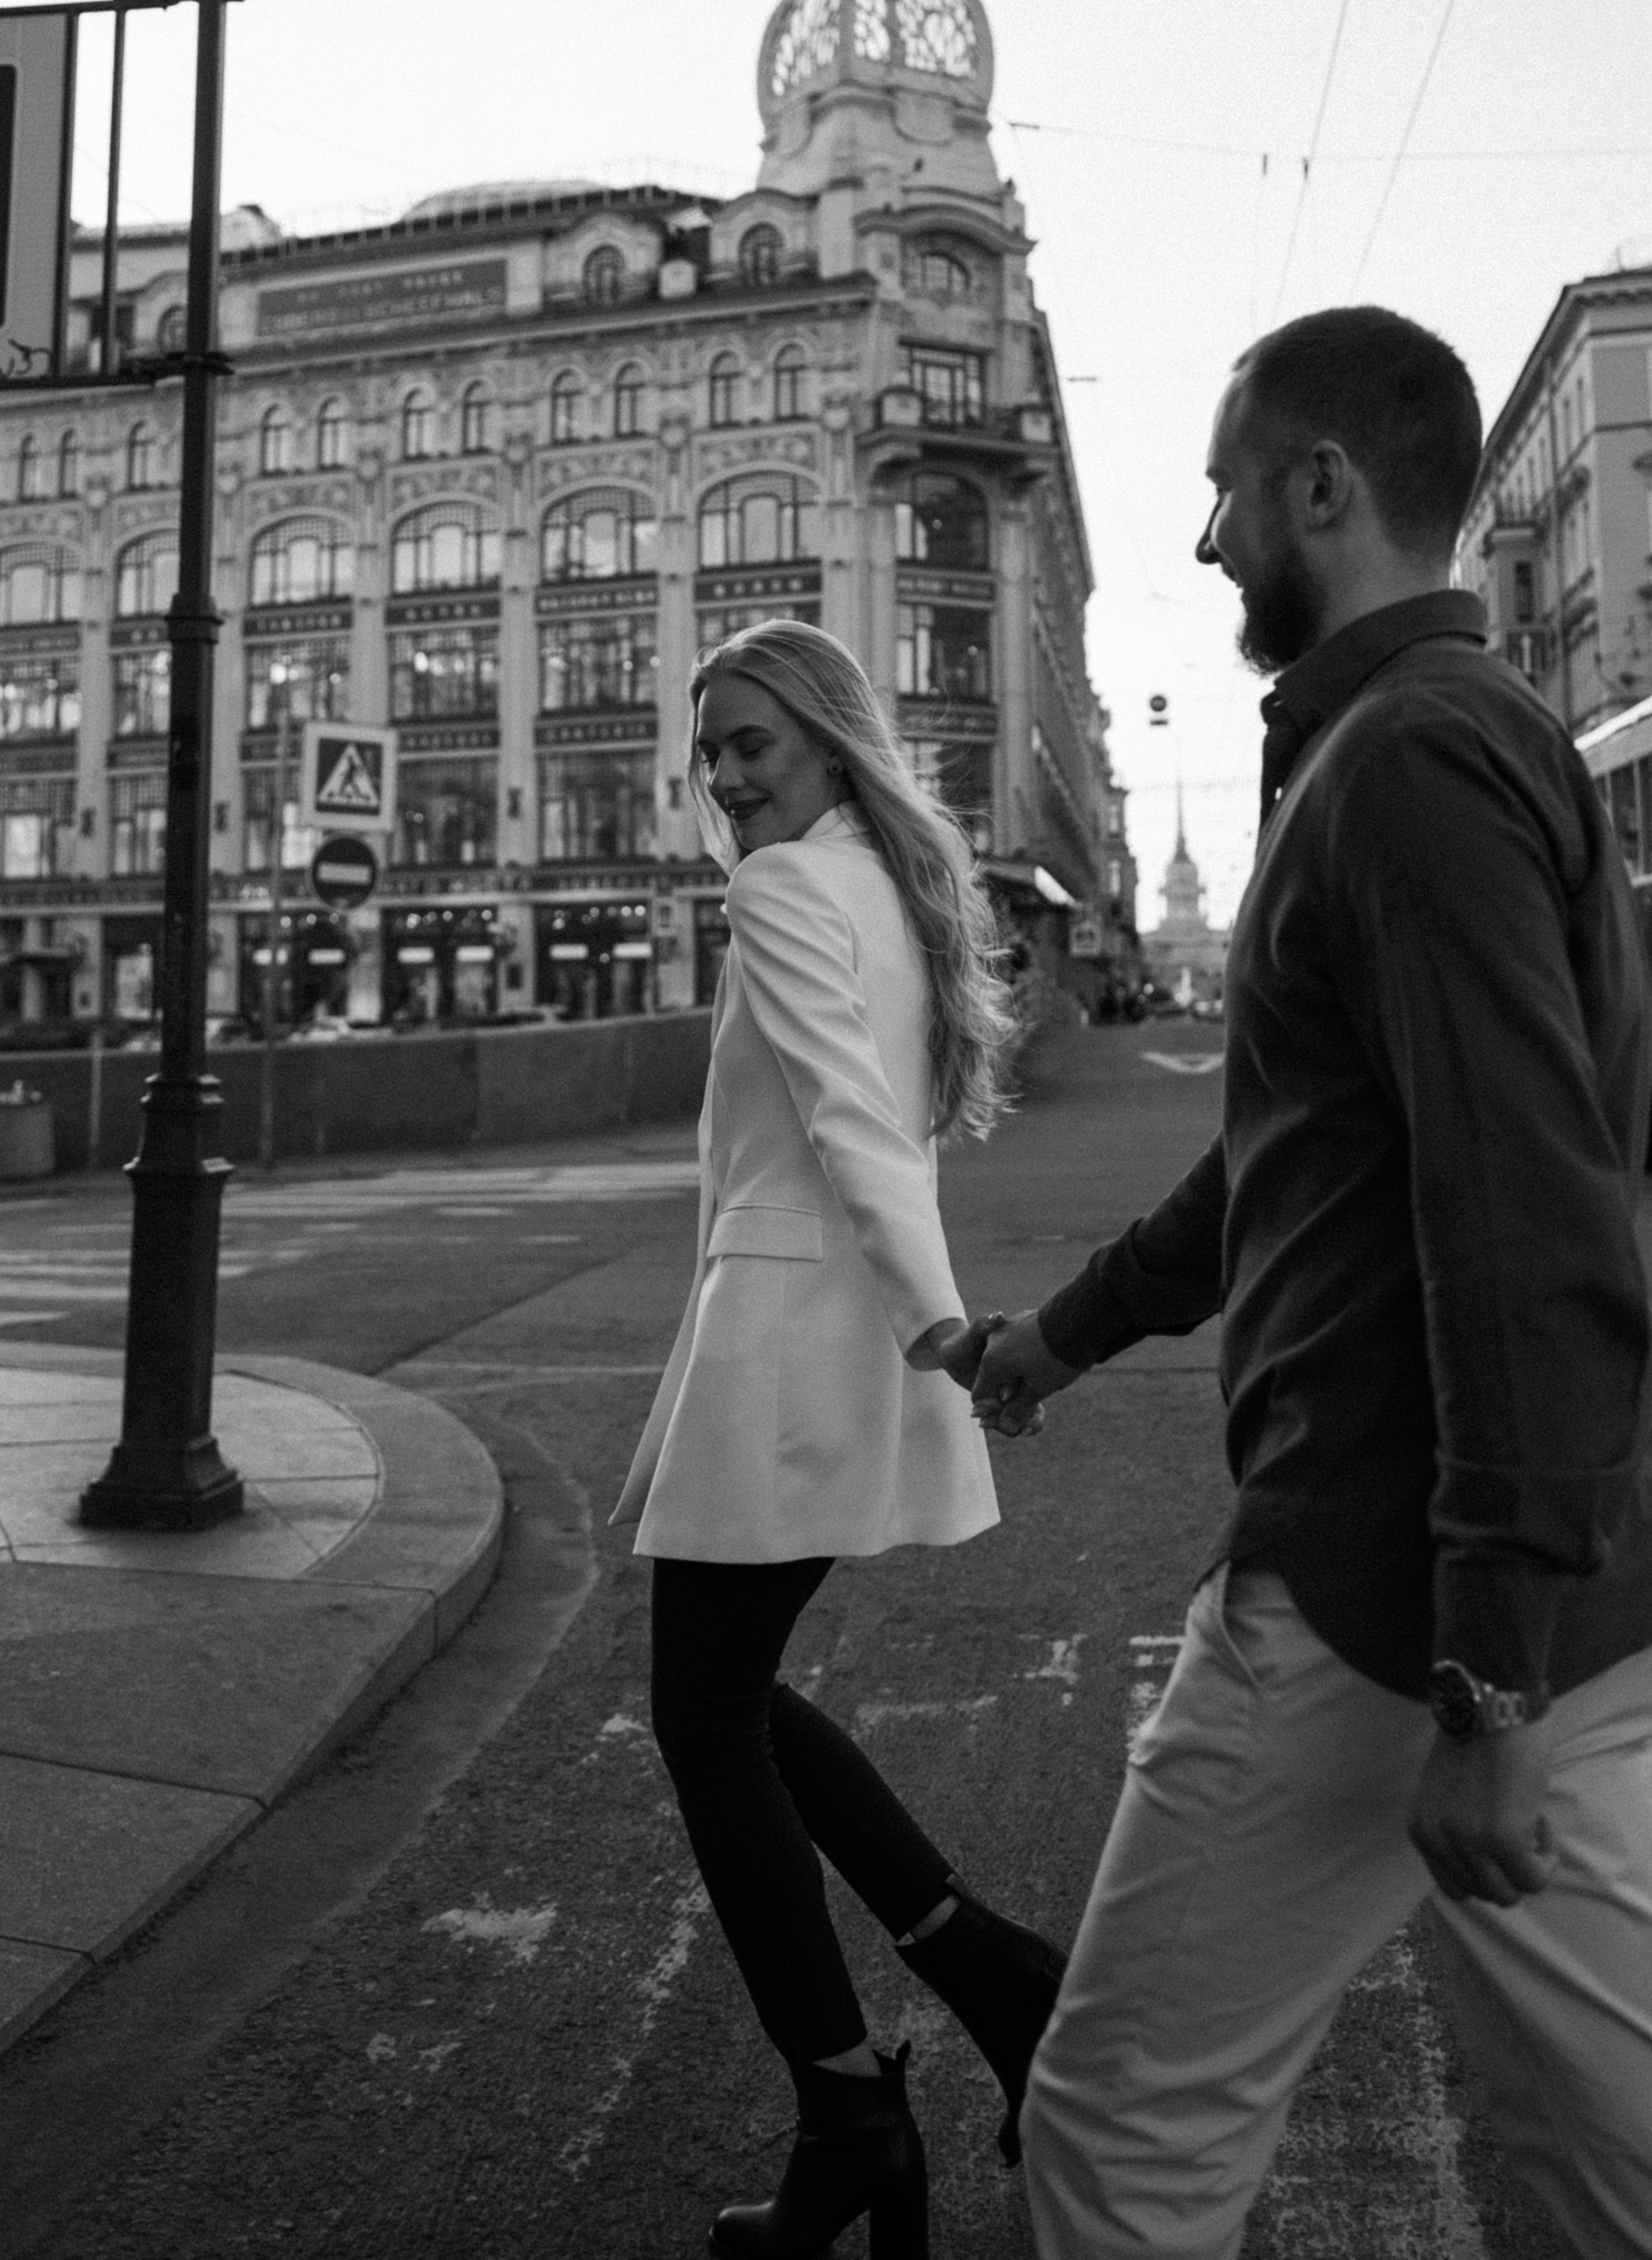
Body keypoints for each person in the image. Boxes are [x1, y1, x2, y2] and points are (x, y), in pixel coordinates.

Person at [971, 307, 1652, 2260]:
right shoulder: (1432, 744)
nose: (1205, 542)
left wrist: (1479, 1665)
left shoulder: (1402, 764)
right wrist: (1061, 1337)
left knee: (1118, 2132)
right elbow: (1294, 1160)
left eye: (1225, 493)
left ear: (1320, 488)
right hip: (1545, 1588)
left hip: (1382, 1607)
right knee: (1623, 2165)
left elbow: (1520, 1222)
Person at [612, 617, 1065, 2258]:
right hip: (834, 1327)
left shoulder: (786, 888)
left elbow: (852, 1130)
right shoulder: (889, 880)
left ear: (824, 739)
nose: (723, 776)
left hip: (793, 1341)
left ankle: (851, 2103)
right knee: (723, 1694)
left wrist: (944, 1328)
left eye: (753, 744)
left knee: (699, 1712)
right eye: (711, 747)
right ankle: (985, 1977)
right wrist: (922, 1320)